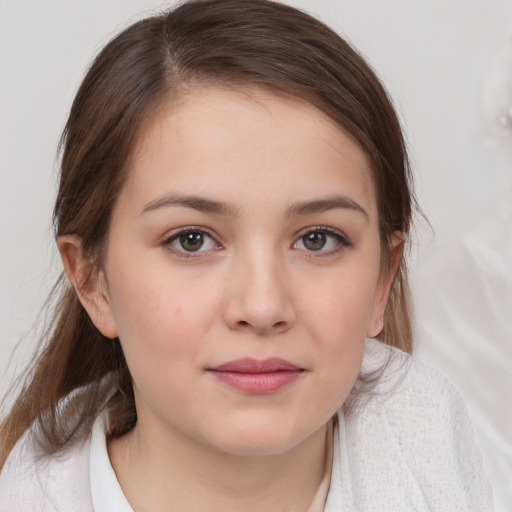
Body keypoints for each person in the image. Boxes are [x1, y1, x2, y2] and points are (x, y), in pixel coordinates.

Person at [0, 1, 492, 510]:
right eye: (191, 239)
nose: (262, 307)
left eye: (317, 239)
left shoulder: (439, 457)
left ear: (382, 280)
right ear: (92, 281)